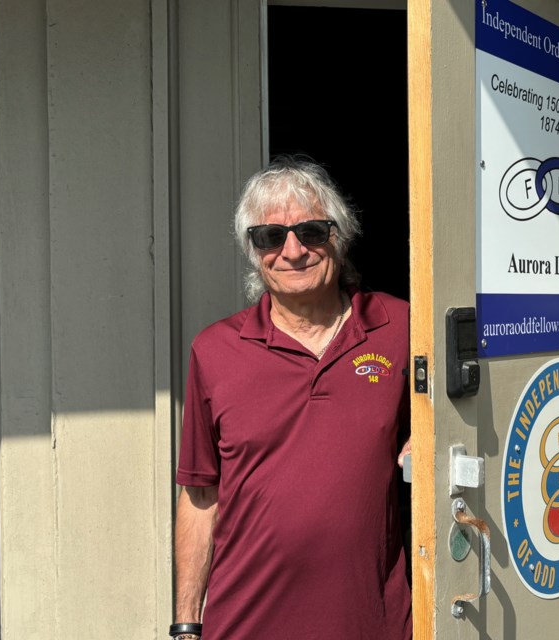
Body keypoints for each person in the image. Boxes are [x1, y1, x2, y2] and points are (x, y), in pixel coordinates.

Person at [172, 158, 412, 640]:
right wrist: (185, 624)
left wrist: (428, 440)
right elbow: (201, 495)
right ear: (253, 251)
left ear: (340, 237)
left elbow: (455, 422)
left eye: (312, 231)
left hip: (372, 623)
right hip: (246, 624)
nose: (294, 250)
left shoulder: (401, 327)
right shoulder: (215, 350)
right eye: (271, 237)